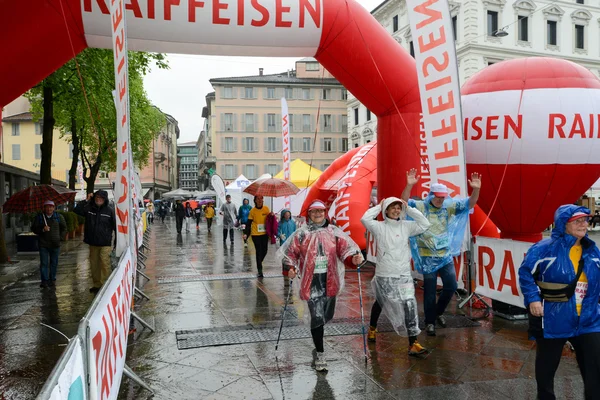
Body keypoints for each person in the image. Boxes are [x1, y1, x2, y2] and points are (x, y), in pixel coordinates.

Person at [519, 205, 600, 400]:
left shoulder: (592, 250)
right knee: (547, 367)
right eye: (577, 221)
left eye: (585, 220)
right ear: (564, 223)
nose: (584, 224)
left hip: (589, 319)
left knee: (595, 368)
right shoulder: (543, 248)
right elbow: (525, 273)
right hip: (554, 318)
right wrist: (533, 299)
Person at [279, 200, 363, 372]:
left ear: (325, 213)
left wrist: (353, 259)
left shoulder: (334, 232)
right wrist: (290, 268)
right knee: (317, 317)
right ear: (308, 214)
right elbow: (290, 254)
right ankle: (320, 353)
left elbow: (345, 251)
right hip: (311, 281)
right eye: (314, 211)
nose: (318, 214)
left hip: (330, 281)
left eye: (321, 211)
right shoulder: (301, 234)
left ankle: (317, 340)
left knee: (326, 315)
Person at [401, 168, 481, 336]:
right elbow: (404, 204)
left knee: (451, 286)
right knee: (430, 289)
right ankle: (430, 322)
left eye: (442, 197)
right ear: (431, 195)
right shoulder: (421, 206)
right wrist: (408, 186)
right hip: (427, 256)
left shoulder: (448, 206)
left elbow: (469, 204)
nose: (439, 200)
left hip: (444, 256)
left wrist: (476, 190)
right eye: (437, 197)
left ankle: (437, 313)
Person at [361, 197, 431, 357]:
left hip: (404, 273)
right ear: (386, 210)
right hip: (385, 273)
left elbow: (425, 224)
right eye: (392, 207)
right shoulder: (378, 227)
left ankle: (413, 343)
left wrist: (410, 209)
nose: (396, 210)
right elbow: (365, 218)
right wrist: (378, 206)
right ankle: (372, 328)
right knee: (380, 302)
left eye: (399, 208)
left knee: (409, 305)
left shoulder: (407, 226)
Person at [75, 191, 116, 293]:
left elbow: (115, 227)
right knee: (94, 265)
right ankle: (97, 284)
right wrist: (87, 200)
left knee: (104, 263)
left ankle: (105, 285)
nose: (99, 199)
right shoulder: (89, 208)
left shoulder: (110, 211)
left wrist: (116, 242)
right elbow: (77, 210)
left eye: (101, 198)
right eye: (97, 197)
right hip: (92, 242)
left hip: (105, 242)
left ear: (105, 199)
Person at [31, 200, 67, 289]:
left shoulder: (59, 217)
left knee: (54, 263)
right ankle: (44, 281)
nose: (49, 208)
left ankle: (52, 279)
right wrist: (43, 229)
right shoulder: (39, 217)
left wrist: (60, 238)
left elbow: (64, 228)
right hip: (43, 244)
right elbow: (34, 229)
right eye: (47, 206)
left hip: (55, 244)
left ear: (54, 208)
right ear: (44, 208)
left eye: (51, 206)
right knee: (44, 263)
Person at [243, 195, 270, 277]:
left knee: (265, 250)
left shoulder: (266, 209)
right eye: (258, 199)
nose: (260, 200)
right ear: (255, 200)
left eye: (261, 198)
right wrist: (246, 234)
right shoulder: (252, 211)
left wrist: (272, 215)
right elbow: (248, 223)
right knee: (258, 251)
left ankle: (259, 262)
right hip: (255, 234)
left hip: (264, 234)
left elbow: (270, 220)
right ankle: (260, 270)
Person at [278, 209, 297, 298]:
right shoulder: (280, 223)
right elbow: (278, 230)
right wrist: (279, 235)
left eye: (288, 214)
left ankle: (291, 270)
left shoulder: (292, 223)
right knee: (284, 257)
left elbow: (295, 231)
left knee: (291, 257)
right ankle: (285, 270)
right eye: (286, 214)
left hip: (291, 242)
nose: (287, 216)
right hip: (283, 242)